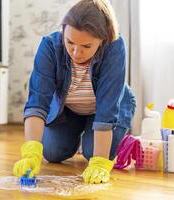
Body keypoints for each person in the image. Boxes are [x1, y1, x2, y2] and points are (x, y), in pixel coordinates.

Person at [13, 0, 136, 184]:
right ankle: (80, 134)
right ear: (63, 30)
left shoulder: (115, 46)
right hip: (69, 110)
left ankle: (114, 135)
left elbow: (107, 108)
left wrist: (100, 162)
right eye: (70, 42)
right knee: (52, 153)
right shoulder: (49, 46)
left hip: (107, 109)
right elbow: (37, 102)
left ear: (103, 40)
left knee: (93, 153)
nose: (76, 52)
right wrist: (31, 150)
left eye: (86, 46)